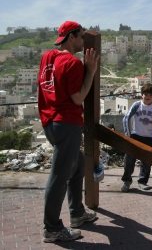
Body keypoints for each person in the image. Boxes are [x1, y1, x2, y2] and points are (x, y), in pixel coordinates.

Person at [37, 21, 99, 243]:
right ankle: (52, 228)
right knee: (59, 177)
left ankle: (77, 213)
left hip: (49, 123)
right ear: (71, 37)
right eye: (82, 37)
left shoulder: (47, 58)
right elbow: (78, 98)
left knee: (78, 165)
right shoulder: (72, 63)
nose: (84, 41)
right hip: (67, 123)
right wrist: (90, 71)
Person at [121, 83, 152, 192]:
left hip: (149, 138)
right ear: (142, 94)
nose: (147, 96)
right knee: (129, 159)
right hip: (136, 136)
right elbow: (126, 119)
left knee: (147, 161)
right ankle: (127, 181)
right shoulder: (137, 105)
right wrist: (128, 135)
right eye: (145, 94)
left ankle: (142, 181)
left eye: (150, 94)